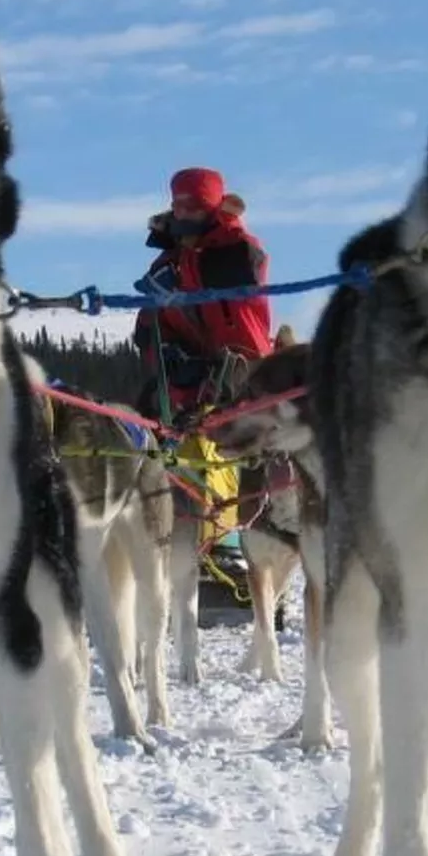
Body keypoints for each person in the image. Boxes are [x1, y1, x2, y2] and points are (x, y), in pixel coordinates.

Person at [132, 167, 273, 611]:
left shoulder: (236, 250)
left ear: (214, 207)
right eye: (179, 204)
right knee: (150, 436)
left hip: (240, 365)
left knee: (234, 444)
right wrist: (167, 353)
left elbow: (243, 281)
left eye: (195, 205)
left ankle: (230, 543)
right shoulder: (167, 262)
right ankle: (155, 537)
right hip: (183, 375)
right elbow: (147, 327)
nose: (184, 212)